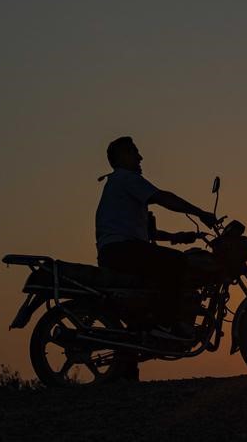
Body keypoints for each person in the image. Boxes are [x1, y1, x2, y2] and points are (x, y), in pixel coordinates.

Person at [95, 136, 217, 379]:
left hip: (120, 250)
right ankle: (166, 325)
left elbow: (147, 234)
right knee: (177, 263)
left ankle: (134, 354)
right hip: (122, 250)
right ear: (121, 157)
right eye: (135, 153)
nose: (140, 158)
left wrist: (177, 237)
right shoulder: (126, 178)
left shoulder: (119, 185)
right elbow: (163, 197)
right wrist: (199, 212)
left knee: (158, 274)